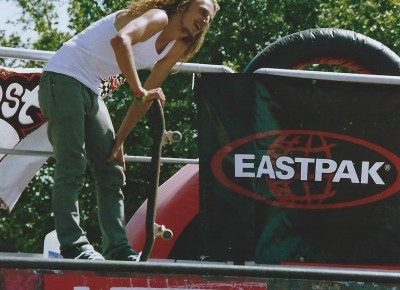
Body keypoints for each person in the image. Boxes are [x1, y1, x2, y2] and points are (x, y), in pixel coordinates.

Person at [38, 0, 219, 261]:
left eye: (209, 19)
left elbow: (145, 96)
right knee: (72, 163)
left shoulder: (179, 44)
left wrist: (120, 138)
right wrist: (138, 90)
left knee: (112, 169)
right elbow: (120, 42)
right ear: (183, 6)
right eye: (202, 12)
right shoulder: (158, 17)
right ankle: (73, 245)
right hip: (63, 76)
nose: (204, 21)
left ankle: (118, 249)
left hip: (91, 87)